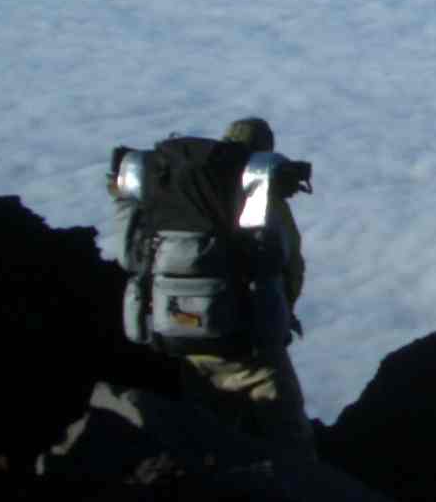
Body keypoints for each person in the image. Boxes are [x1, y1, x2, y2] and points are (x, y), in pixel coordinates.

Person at [113, 116, 315, 458]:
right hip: (246, 349)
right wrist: (277, 315)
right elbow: (287, 265)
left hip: (178, 336)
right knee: (289, 437)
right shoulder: (258, 198)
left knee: (209, 435)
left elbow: (128, 255)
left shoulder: (178, 200)